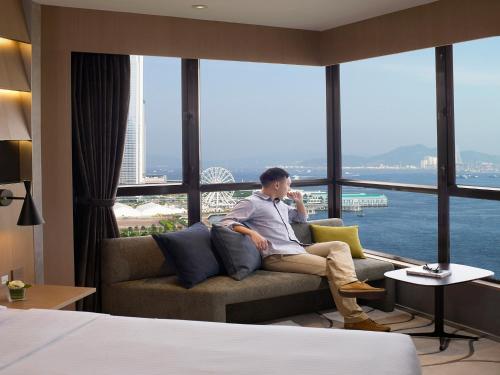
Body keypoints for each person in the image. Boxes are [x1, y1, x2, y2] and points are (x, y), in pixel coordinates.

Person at [220, 167, 390, 332]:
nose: (290, 188)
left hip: (298, 248)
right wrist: (252, 233)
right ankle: (356, 319)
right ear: (277, 185)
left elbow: (301, 218)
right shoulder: (251, 203)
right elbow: (226, 222)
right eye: (288, 184)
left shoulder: (280, 204)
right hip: (279, 256)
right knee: (334, 267)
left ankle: (350, 285)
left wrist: (299, 201)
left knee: (340, 245)